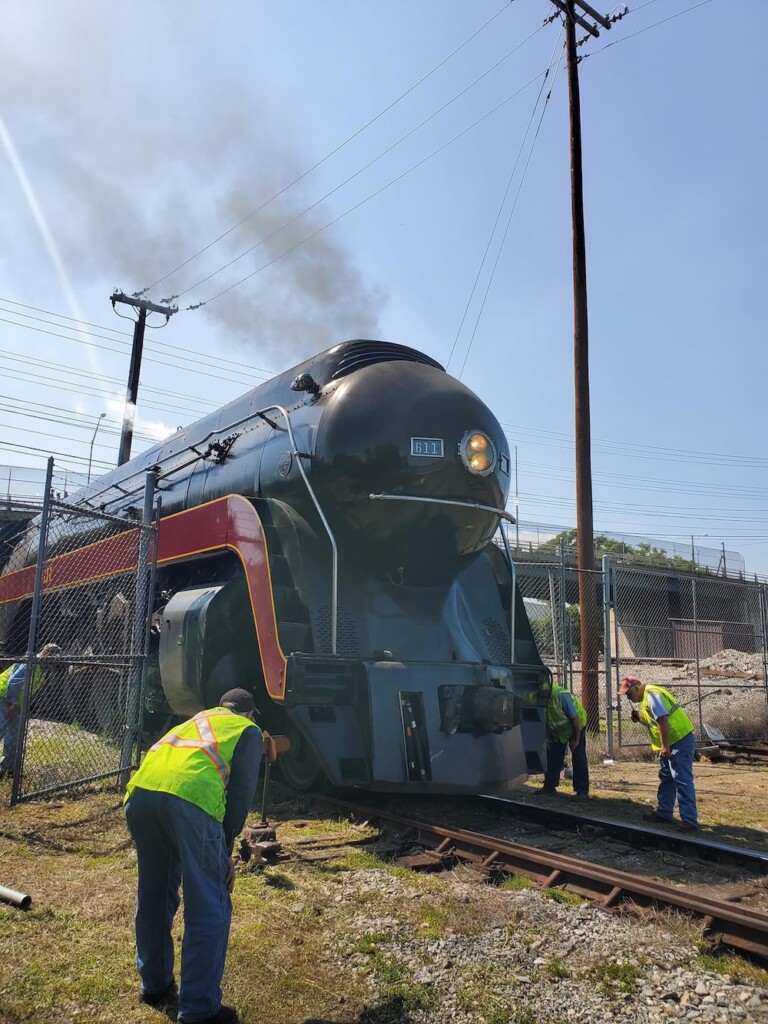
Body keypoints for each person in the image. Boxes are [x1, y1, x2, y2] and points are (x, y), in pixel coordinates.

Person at [124, 688, 265, 1024]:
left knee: (155, 893)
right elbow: (242, 794)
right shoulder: (247, 730)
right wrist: (225, 851)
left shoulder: (195, 722)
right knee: (209, 905)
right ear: (250, 714)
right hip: (189, 801)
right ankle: (200, 1010)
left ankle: (154, 984)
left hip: (141, 795)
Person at [618, 675, 698, 830]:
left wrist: (665, 745)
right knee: (667, 777)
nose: (627, 697)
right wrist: (639, 718)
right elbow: (655, 721)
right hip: (673, 740)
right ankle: (664, 813)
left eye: (628, 693)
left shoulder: (651, 695)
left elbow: (662, 720)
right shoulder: (647, 696)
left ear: (636, 688)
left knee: (681, 778)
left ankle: (689, 820)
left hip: (678, 740)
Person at [0, 643, 61, 780]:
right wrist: (13, 704)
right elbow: (13, 683)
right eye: (52, 659)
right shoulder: (31, 664)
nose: (53, 663)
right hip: (4, 697)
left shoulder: (38, 666)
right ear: (45, 653)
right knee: (2, 728)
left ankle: (7, 769)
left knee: (14, 735)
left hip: (13, 702)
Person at [542, 681, 589, 800]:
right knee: (553, 754)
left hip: (576, 727)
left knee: (578, 756)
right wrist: (547, 736)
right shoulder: (540, 698)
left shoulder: (560, 695)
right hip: (559, 731)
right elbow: (545, 718)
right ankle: (549, 786)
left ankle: (582, 791)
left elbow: (575, 718)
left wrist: (576, 739)